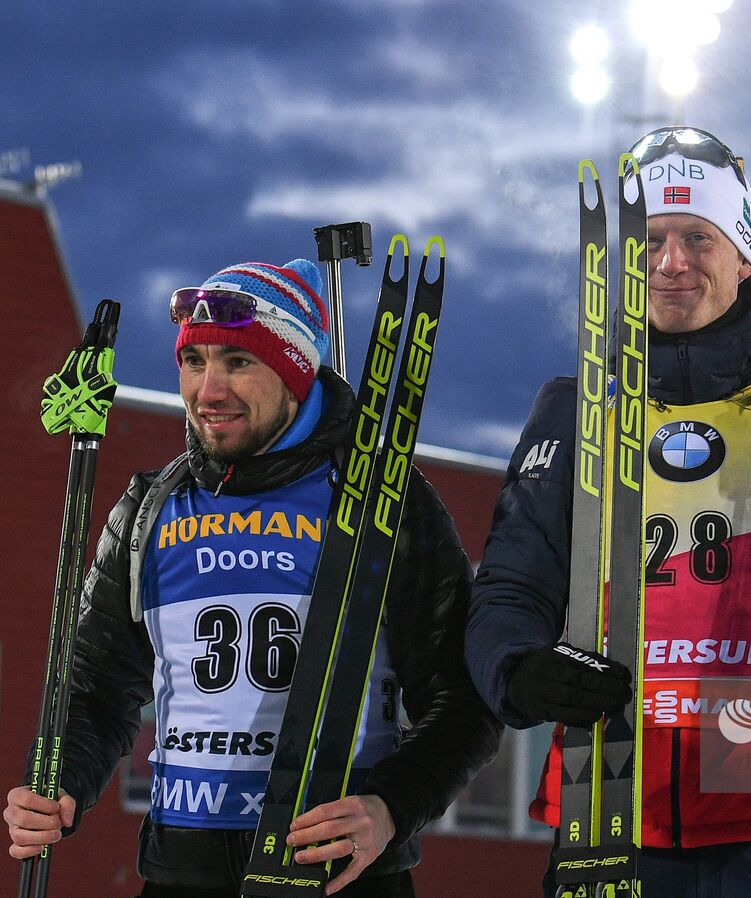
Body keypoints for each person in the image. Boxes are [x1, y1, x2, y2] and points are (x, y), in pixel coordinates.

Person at [464, 125, 751, 896]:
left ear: (743, 252)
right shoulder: (576, 409)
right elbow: (511, 589)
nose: (671, 262)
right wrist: (517, 672)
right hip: (606, 809)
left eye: (697, 237)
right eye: (649, 241)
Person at [4, 260, 501, 897]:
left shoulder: (383, 502)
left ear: (296, 370)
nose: (208, 391)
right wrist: (60, 784)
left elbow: (464, 698)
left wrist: (391, 808)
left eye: (238, 361)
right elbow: (96, 692)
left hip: (337, 873)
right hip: (183, 869)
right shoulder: (149, 509)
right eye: (194, 362)